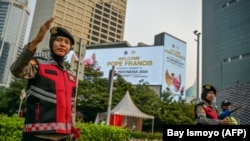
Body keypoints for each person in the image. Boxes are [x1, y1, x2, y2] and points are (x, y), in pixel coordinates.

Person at [10, 17, 79, 141]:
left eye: (67, 42)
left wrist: (73, 132)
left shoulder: (71, 77)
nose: (63, 44)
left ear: (69, 48)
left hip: (63, 136)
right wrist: (35, 41)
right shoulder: (38, 64)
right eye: (59, 40)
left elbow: (72, 107)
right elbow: (16, 70)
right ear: (52, 43)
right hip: (37, 135)